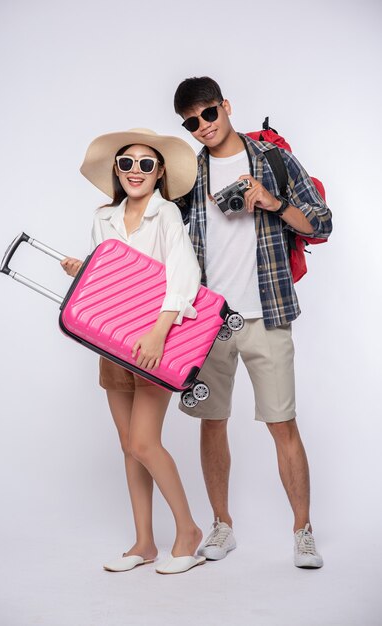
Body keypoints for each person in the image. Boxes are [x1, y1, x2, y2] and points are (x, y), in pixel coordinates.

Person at [173, 77, 332, 568]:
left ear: (226, 106)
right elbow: (157, 231)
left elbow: (322, 223)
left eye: (209, 114)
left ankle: (303, 531)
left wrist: (273, 202)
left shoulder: (272, 159)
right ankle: (222, 526)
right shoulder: (185, 173)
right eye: (191, 121)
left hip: (268, 312)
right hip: (206, 320)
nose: (202, 126)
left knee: (283, 424)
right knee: (210, 422)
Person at [61, 128, 206, 575]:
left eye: (147, 163)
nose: (136, 170)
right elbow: (108, 281)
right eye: (127, 163)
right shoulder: (103, 218)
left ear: (159, 172)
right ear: (117, 171)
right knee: (129, 445)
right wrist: (80, 271)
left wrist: (160, 331)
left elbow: (186, 276)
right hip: (112, 341)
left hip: (152, 343)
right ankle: (144, 542)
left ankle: (189, 532)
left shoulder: (166, 217)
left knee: (145, 441)